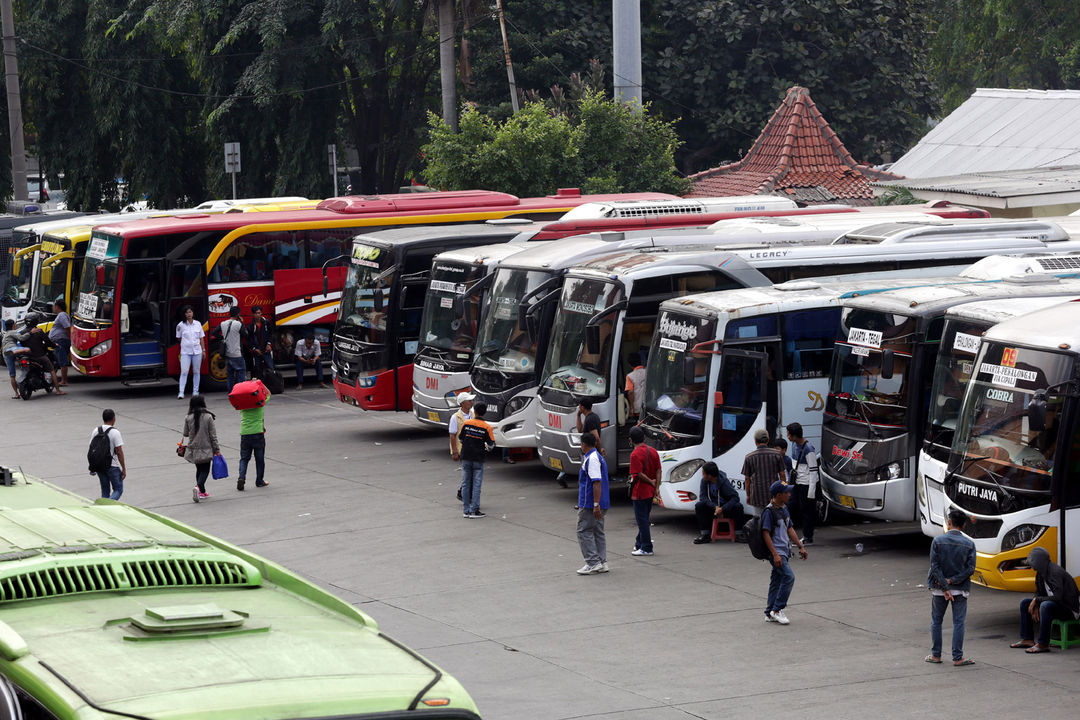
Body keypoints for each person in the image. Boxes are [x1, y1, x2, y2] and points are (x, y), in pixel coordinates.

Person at [926, 508, 976, 665]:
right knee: (959, 622)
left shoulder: (938, 541)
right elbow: (970, 569)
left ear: (949, 523)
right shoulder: (969, 544)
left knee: (936, 621)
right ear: (964, 525)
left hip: (939, 589)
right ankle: (958, 657)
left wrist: (945, 587)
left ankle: (936, 655)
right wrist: (952, 582)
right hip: (960, 589)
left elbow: (935, 566)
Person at [1010, 546, 1080, 653]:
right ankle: (1027, 639)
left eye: (1033, 564)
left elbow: (1058, 597)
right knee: (1025, 603)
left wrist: (1038, 601)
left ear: (1039, 562)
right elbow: (1038, 593)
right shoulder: (1040, 574)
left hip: (1069, 609)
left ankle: (1043, 644)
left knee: (1045, 605)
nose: (1032, 567)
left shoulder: (1055, 572)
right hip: (1055, 605)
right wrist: (1035, 602)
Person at [762, 481, 807, 625]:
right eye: (786, 492)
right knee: (789, 577)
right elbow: (766, 534)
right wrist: (775, 554)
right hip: (777, 552)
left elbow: (790, 529)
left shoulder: (784, 508)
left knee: (776, 581)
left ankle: (769, 612)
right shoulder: (769, 512)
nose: (789, 494)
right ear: (778, 495)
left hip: (784, 551)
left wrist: (800, 546)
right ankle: (777, 609)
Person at [576, 432, 610, 575]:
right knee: (597, 531)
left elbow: (596, 482)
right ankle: (601, 561)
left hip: (590, 503)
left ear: (584, 444)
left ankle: (593, 562)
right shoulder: (596, 457)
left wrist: (595, 504)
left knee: (583, 531)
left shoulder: (592, 459)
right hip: (601, 501)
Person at [180, 395, 220, 502]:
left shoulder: (188, 417)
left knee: (199, 469)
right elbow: (213, 435)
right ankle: (198, 487)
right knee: (205, 470)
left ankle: (202, 491)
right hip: (206, 448)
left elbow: (185, 433)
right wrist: (217, 449)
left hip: (193, 448)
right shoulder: (208, 417)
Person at [458, 401, 495, 518]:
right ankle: (474, 510)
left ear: (475, 411)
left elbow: (460, 439)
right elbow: (491, 445)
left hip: (466, 456)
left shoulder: (467, 423)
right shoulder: (487, 427)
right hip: (478, 458)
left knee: (465, 483)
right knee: (476, 484)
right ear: (484, 413)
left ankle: (466, 510)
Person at [693, 461, 743, 544]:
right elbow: (703, 497)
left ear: (709, 475)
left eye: (703, 473)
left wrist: (723, 509)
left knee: (738, 507)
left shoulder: (724, 482)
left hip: (725, 508)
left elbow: (735, 497)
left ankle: (738, 534)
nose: (703, 475)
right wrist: (715, 507)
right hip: (713, 508)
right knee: (699, 505)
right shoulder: (704, 481)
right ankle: (705, 535)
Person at [628, 425, 660, 556]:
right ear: (644, 437)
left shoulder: (634, 454)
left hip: (640, 491)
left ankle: (647, 547)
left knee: (642, 521)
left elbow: (638, 474)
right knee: (644, 518)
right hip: (650, 491)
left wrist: (650, 481)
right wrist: (656, 486)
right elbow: (658, 470)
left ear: (630, 440)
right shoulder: (653, 451)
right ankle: (639, 543)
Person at [786, 423, 820, 546]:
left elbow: (813, 471)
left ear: (795, 435)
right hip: (797, 482)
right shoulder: (794, 444)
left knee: (807, 511)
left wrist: (811, 491)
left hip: (806, 484)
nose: (787, 436)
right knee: (790, 506)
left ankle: (808, 537)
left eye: (789, 434)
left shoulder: (808, 449)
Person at [560, 397, 603, 488]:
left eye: (579, 406)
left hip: (590, 452)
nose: (578, 407)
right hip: (586, 452)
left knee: (586, 476)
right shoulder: (588, 418)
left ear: (583, 407)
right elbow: (580, 430)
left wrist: (599, 452)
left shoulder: (591, 419)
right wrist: (578, 416)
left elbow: (596, 438)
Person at [741, 429, 786, 514]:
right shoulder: (777, 454)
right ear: (768, 440)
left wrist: (748, 495)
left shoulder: (749, 457)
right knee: (774, 520)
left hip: (756, 495)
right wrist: (784, 489)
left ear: (755, 441)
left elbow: (747, 479)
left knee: (759, 520)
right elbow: (782, 475)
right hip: (774, 495)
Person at [20, 314, 65, 395]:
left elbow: (22, 342)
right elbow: (48, 342)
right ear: (36, 321)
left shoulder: (23, 332)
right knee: (52, 370)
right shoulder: (39, 331)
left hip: (28, 356)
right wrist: (55, 345)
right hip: (39, 356)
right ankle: (58, 390)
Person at [237, 386, 269, 490]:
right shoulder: (260, 404)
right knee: (259, 459)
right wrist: (259, 384)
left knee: (244, 459)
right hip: (258, 433)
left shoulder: (243, 406)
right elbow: (269, 394)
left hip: (245, 434)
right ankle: (259, 481)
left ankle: (241, 477)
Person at [89, 408, 125, 500]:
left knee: (105, 490)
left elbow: (91, 449)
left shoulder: (96, 430)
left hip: (99, 466)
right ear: (114, 419)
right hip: (112, 466)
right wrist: (123, 468)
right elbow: (119, 452)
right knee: (118, 489)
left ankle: (103, 509)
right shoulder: (115, 432)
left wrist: (92, 466)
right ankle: (107, 505)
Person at [449, 393, 475, 502]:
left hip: (473, 449)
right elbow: (452, 435)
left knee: (472, 473)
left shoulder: (473, 414)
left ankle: (463, 492)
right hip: (462, 450)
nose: (472, 402)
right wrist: (454, 451)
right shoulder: (455, 417)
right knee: (469, 473)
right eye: (469, 401)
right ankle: (464, 494)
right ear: (463, 403)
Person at [176, 305, 206, 399]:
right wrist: (185, 344)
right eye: (187, 312)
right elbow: (179, 338)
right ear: (184, 314)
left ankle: (195, 391)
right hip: (185, 352)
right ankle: (181, 392)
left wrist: (203, 350)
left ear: (193, 313)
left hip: (197, 351)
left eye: (190, 312)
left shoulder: (198, 324)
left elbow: (201, 338)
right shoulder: (180, 325)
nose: (189, 314)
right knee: (184, 371)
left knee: (196, 371)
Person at [216, 306, 247, 391]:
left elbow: (214, 332)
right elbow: (245, 335)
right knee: (241, 373)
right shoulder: (238, 324)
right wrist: (242, 323)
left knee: (230, 375)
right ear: (238, 314)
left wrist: (222, 339)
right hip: (237, 353)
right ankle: (241, 391)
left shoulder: (223, 323)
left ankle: (231, 392)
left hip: (227, 354)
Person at [2, 319, 29, 399]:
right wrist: (30, 333)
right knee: (27, 351)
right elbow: (22, 338)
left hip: (5, 353)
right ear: (13, 325)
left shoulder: (5, 334)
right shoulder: (12, 332)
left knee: (12, 375)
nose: (16, 325)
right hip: (12, 349)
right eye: (15, 324)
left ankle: (16, 394)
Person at [248, 305, 275, 378]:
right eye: (256, 313)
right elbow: (249, 339)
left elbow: (271, 334)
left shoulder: (266, 323)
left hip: (266, 350)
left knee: (271, 368)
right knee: (258, 371)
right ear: (253, 314)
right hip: (257, 351)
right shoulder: (251, 326)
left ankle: (271, 385)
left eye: (259, 313)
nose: (258, 315)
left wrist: (269, 344)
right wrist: (254, 349)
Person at [49, 299, 71, 386]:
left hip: (61, 341)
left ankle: (64, 381)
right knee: (57, 361)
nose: (53, 308)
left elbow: (67, 327)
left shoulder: (62, 315)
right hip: (59, 340)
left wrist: (70, 338)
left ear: (57, 307)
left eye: (54, 306)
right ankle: (51, 380)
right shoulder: (62, 315)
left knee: (62, 361)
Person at [624, 353, 647, 419]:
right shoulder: (648, 372)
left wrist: (631, 408)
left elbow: (630, 392)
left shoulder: (630, 376)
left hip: (638, 409)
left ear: (630, 365)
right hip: (649, 406)